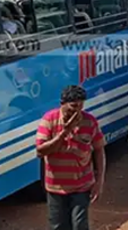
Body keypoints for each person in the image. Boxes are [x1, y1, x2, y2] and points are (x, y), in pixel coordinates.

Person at [36, 85, 106, 230]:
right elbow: (41, 151)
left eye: (80, 107)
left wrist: (99, 181)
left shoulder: (89, 121)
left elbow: (99, 150)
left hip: (82, 185)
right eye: (73, 107)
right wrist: (64, 132)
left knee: (80, 225)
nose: (76, 112)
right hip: (56, 187)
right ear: (62, 104)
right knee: (58, 226)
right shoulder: (49, 120)